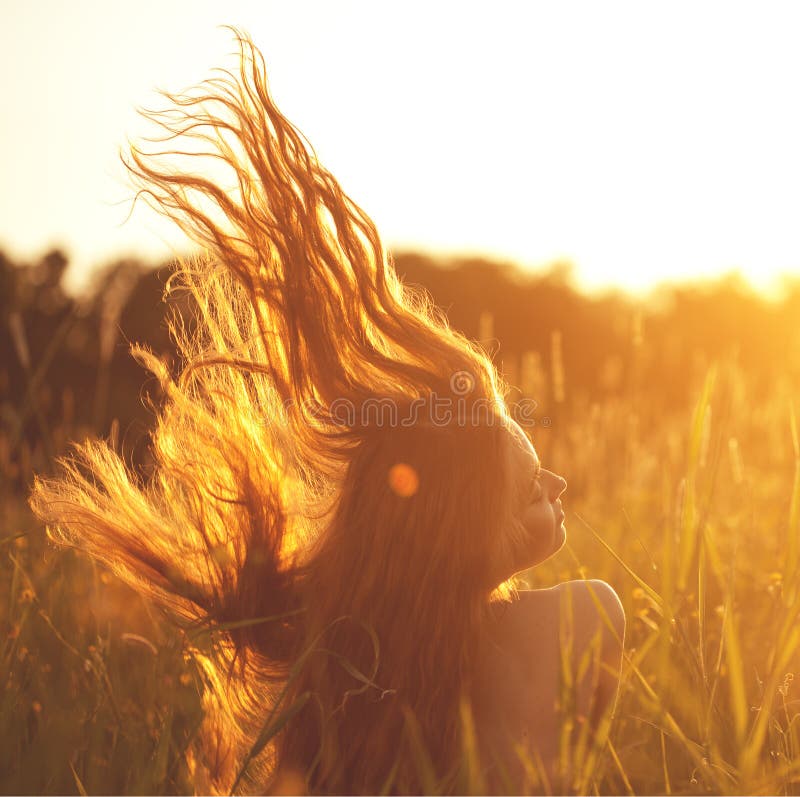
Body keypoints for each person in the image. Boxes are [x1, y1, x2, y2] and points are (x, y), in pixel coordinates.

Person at [29, 29, 624, 795]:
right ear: (480, 532)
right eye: (537, 486)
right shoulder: (575, 624)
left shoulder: (338, 692)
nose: (561, 488)